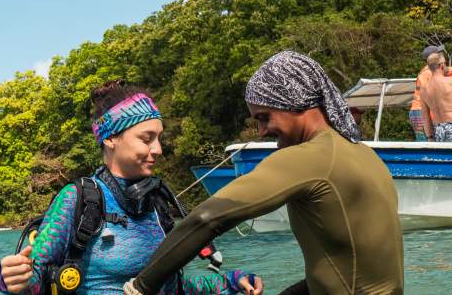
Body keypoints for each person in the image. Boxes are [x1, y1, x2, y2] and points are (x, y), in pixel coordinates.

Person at [123, 51, 403, 295]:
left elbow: (206, 220)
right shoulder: (365, 155)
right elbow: (351, 266)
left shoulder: (309, 157)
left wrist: (141, 287)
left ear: (294, 103)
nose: (261, 131)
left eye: (264, 117)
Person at [0, 80, 263, 294]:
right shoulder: (78, 200)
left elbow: (173, 287)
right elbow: (35, 280)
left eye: (159, 138)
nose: (158, 149)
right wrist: (12, 280)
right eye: (147, 139)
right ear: (111, 138)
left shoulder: (157, 201)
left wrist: (230, 282)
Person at [409, 45, 448, 141]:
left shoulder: (430, 71)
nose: (441, 55)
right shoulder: (427, 73)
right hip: (420, 111)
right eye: (438, 53)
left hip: (419, 110)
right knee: (426, 143)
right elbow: (428, 94)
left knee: (429, 142)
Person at [420, 53, 452, 142]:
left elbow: (425, 117)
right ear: (442, 65)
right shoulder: (450, 82)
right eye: (446, 63)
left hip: (438, 130)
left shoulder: (424, 89)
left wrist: (430, 137)